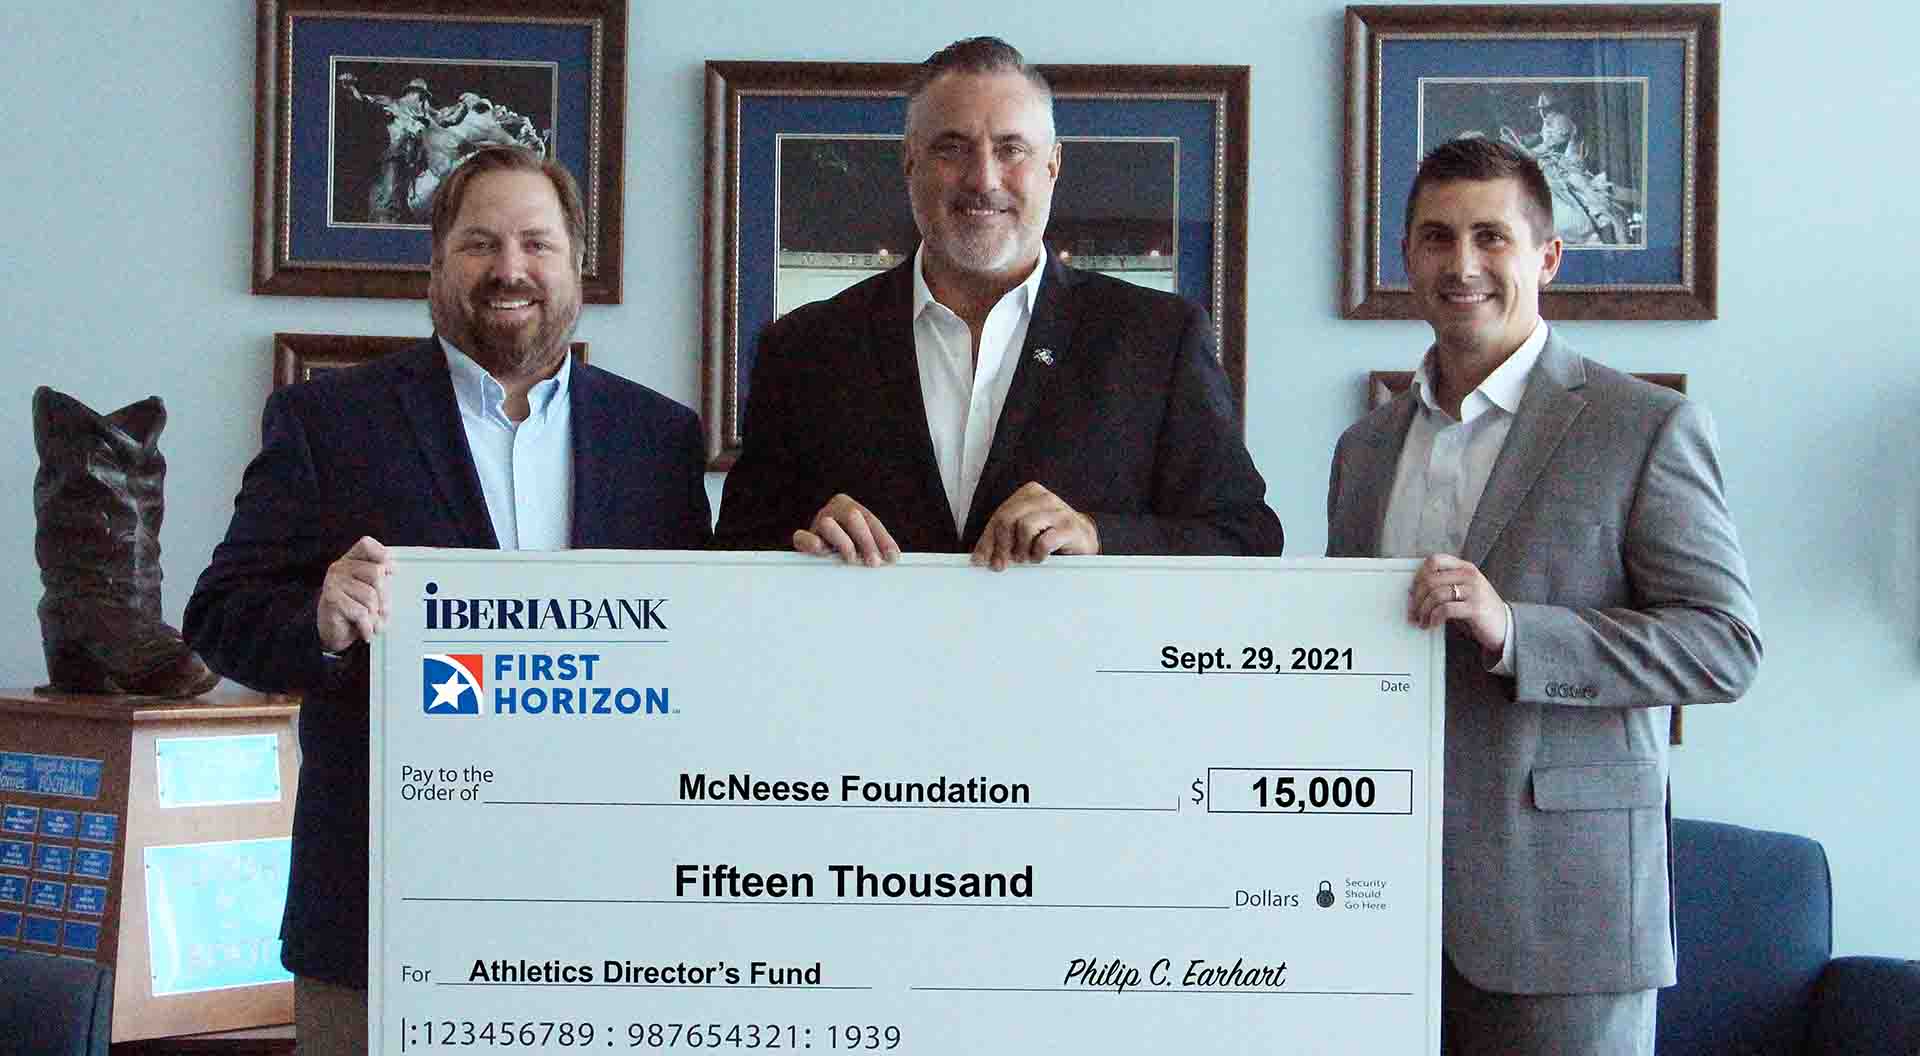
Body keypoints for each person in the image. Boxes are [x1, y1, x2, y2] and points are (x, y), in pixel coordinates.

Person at [186, 145, 711, 1053]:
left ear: (575, 265)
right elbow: (219, 614)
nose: (510, 270)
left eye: (537, 244)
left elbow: (704, 651)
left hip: (609, 918)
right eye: (480, 244)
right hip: (377, 918)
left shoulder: (657, 438)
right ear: (436, 262)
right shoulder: (328, 422)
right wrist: (316, 617)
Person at [1326, 136, 1761, 1055]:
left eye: (1492, 237)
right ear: (1407, 257)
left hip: (1566, 914)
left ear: (1547, 257)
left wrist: (1516, 631)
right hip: (1371, 913)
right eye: (1436, 239)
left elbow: (1723, 646)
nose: (1463, 265)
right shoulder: (1363, 450)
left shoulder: (1645, 426)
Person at [714, 36, 1281, 566]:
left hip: (1077, 670)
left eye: (1011, 148)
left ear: (1052, 167)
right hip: (864, 670)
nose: (983, 178)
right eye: (951, 148)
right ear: (909, 162)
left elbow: (1247, 536)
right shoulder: (804, 348)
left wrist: (1097, 533)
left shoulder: (1158, 337)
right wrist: (801, 537)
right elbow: (731, 552)